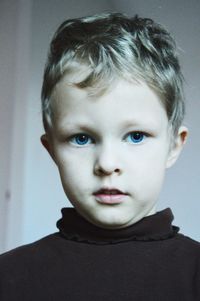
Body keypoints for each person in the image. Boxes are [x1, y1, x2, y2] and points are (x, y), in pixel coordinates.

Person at [0, 12, 199, 300]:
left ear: (174, 146)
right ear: (52, 149)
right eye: (82, 138)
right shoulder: (9, 277)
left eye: (136, 136)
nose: (107, 164)